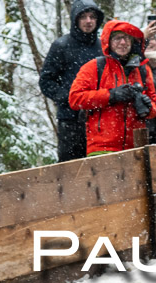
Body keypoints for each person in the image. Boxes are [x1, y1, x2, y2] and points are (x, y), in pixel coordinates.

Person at [69, 20, 156, 156]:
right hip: (101, 147)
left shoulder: (142, 70)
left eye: (127, 38)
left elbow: (154, 107)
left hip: (136, 147)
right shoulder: (94, 67)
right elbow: (75, 99)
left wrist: (147, 107)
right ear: (108, 42)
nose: (123, 42)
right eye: (117, 38)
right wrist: (111, 95)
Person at [39, 0, 104, 162]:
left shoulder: (103, 46)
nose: (88, 21)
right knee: (70, 171)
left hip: (101, 119)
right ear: (75, 19)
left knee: (100, 168)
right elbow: (46, 81)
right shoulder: (61, 46)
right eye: (83, 17)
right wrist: (69, 97)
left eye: (92, 17)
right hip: (70, 120)